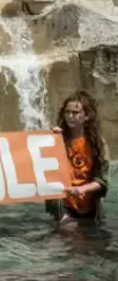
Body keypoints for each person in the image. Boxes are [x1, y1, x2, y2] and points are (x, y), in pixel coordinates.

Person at [48, 91, 109, 227]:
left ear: (86, 115)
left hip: (91, 207)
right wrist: (49, 138)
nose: (70, 116)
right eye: (67, 112)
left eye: (75, 112)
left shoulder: (98, 144)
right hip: (64, 205)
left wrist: (82, 189)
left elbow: (103, 181)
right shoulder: (57, 139)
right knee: (69, 233)